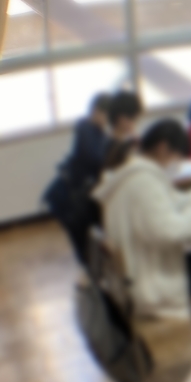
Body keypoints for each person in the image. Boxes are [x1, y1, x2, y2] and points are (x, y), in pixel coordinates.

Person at [92, 119, 191, 318]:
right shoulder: (143, 181)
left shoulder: (135, 171)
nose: (178, 166)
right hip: (151, 286)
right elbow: (167, 231)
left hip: (139, 273)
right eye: (178, 158)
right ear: (163, 148)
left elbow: (170, 200)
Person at [45, 92, 141, 263]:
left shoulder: (97, 131)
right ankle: (89, 269)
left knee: (89, 239)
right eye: (107, 115)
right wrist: (121, 146)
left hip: (77, 196)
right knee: (83, 240)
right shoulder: (86, 128)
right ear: (96, 111)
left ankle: (91, 267)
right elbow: (97, 159)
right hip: (68, 198)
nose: (108, 120)